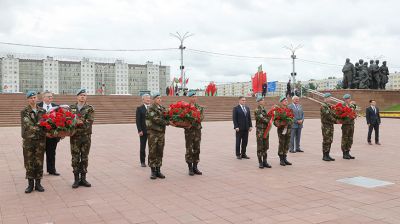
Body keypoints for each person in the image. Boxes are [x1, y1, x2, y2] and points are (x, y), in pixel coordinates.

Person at [21, 91, 47, 193]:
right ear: (28, 99)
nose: (33, 99)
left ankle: (38, 184)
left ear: (37, 99)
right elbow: (28, 124)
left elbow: (46, 123)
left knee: (39, 161)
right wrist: (40, 127)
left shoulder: (43, 111)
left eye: (34, 97)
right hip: (29, 140)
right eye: (31, 98)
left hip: (40, 141)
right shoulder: (24, 111)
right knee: (29, 162)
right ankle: (30, 184)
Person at [70, 89, 95, 188]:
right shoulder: (71, 108)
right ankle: (76, 179)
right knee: (75, 158)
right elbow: (68, 121)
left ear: (86, 97)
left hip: (86, 137)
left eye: (84, 95)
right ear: (77, 97)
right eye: (81, 95)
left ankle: (83, 178)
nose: (82, 97)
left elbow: (89, 122)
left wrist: (79, 122)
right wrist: (76, 122)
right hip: (74, 137)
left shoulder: (90, 108)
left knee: (84, 157)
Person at [146, 92, 170, 179]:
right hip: (153, 133)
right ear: (154, 99)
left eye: (160, 98)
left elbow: (168, 116)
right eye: (157, 98)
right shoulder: (151, 108)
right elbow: (156, 119)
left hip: (161, 134)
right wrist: (167, 122)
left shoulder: (163, 108)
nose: (159, 100)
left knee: (160, 151)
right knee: (153, 151)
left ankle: (158, 170)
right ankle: (153, 171)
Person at [37, 91, 60, 176]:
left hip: (52, 135)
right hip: (41, 135)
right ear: (43, 98)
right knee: (39, 154)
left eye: (51, 96)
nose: (51, 97)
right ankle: (39, 171)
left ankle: (51, 170)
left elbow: (60, 119)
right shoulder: (38, 106)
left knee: (51, 152)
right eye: (48, 96)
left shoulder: (56, 107)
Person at [184, 91, 204, 176]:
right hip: (189, 132)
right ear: (189, 98)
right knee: (189, 149)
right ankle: (190, 168)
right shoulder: (185, 108)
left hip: (197, 131)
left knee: (197, 149)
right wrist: (190, 122)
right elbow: (183, 118)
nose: (194, 98)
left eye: (195, 97)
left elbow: (202, 117)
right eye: (192, 97)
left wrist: (197, 119)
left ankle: (195, 167)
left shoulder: (199, 107)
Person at [254, 96, 272, 169]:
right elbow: (262, 118)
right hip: (260, 130)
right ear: (259, 101)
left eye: (263, 100)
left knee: (265, 146)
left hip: (266, 130)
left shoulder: (264, 109)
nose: (264, 101)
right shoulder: (257, 110)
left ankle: (265, 161)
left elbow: (268, 117)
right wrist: (269, 121)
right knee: (260, 146)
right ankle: (260, 162)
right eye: (262, 100)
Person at [274, 96, 293, 166]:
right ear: (281, 102)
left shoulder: (289, 109)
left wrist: (289, 122)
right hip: (281, 129)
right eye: (284, 100)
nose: (286, 101)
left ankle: (285, 157)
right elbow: (275, 120)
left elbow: (292, 118)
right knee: (282, 143)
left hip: (288, 129)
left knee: (287, 143)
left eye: (286, 100)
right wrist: (282, 123)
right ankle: (281, 159)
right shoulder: (278, 110)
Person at [320, 93, 337, 161]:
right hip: (326, 125)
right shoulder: (323, 106)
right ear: (325, 98)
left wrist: (340, 117)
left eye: (330, 98)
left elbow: (333, 114)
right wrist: (336, 121)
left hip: (330, 125)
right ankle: (324, 155)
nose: (330, 99)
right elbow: (327, 115)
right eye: (329, 98)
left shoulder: (329, 106)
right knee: (326, 140)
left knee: (330, 140)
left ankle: (328, 154)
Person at [136, 94, 151, 167]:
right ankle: (142, 161)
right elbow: (138, 121)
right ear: (143, 100)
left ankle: (150, 161)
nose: (148, 99)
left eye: (149, 98)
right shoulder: (139, 108)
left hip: (152, 131)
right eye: (147, 98)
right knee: (143, 147)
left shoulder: (152, 108)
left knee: (151, 147)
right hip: (143, 132)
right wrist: (139, 130)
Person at [341, 94, 356, 160]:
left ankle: (348, 152)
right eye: (348, 98)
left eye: (349, 98)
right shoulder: (342, 106)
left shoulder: (350, 105)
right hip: (346, 125)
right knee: (345, 139)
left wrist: (354, 116)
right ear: (345, 99)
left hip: (351, 124)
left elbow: (354, 113)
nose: (349, 100)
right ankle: (344, 153)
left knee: (350, 139)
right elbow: (340, 115)